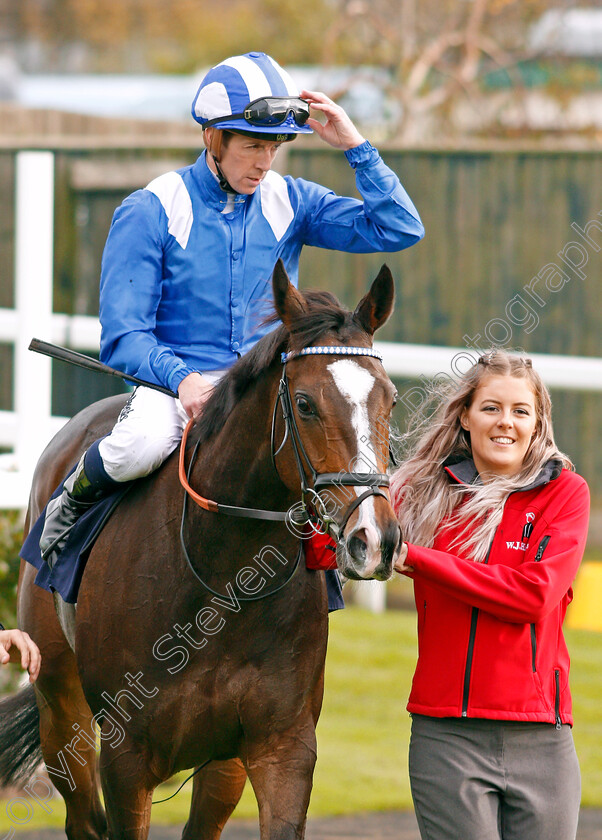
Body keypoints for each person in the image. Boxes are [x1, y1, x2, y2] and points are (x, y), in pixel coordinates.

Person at [39, 50, 424, 568]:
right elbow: (124, 335)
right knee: (137, 445)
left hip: (264, 384)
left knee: (321, 458)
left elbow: (399, 228)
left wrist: (356, 146)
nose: (264, 163)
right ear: (213, 139)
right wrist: (182, 379)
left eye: (273, 148)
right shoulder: (151, 208)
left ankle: (325, 578)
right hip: (173, 388)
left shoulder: (293, 200)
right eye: (251, 147)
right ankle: (70, 506)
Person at [390, 350, 590, 840]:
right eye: (491, 408)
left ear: (538, 421)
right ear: (465, 415)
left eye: (521, 411)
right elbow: (340, 543)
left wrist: (418, 559)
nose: (506, 423)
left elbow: (532, 597)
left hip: (544, 741)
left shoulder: (566, 494)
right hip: (447, 740)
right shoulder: (421, 492)